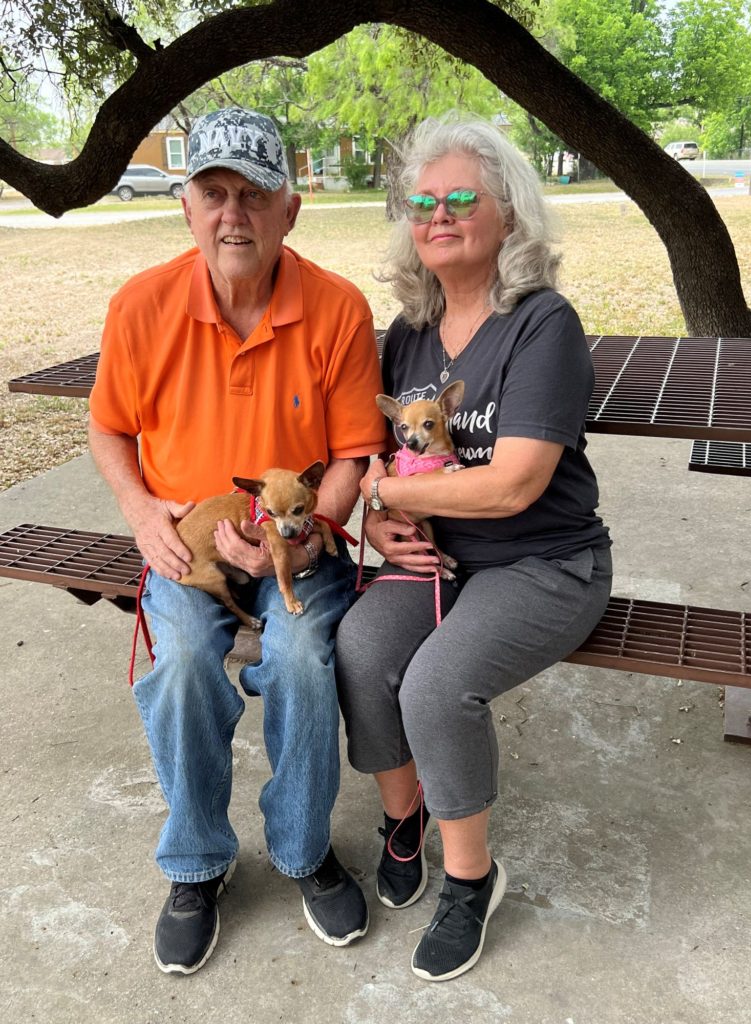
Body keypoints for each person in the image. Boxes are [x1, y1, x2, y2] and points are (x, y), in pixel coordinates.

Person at [89, 107, 385, 975]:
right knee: (183, 661)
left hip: (299, 545)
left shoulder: (337, 308)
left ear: (289, 210)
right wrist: (143, 512)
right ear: (186, 206)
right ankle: (196, 863)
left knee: (301, 659)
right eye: (214, 193)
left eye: (253, 195)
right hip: (190, 544)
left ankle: (302, 848)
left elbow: (353, 454)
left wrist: (312, 534)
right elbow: (108, 428)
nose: (233, 215)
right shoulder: (141, 306)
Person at [335, 115, 612, 983]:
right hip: (439, 559)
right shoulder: (408, 332)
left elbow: (513, 484)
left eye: (461, 197)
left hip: (544, 562)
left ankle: (470, 880)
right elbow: (381, 460)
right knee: (359, 646)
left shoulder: (542, 324)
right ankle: (405, 818)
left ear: (509, 214)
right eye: (422, 203)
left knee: (436, 683)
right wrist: (377, 517)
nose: (439, 215)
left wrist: (390, 496)